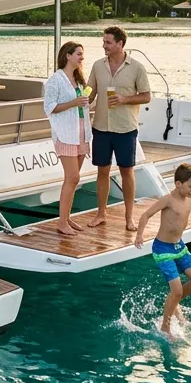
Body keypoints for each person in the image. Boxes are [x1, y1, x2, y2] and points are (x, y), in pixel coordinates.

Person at [134, 163, 191, 339]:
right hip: (163, 249)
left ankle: (174, 303)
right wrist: (139, 235)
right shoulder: (168, 200)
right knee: (176, 291)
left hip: (179, 247)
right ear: (178, 184)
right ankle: (165, 326)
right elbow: (145, 215)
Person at [87, 26, 151, 231]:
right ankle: (100, 214)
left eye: (108, 42)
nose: (103, 45)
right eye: (104, 41)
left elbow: (146, 96)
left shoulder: (137, 68)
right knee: (102, 171)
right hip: (101, 127)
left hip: (125, 128)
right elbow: (90, 91)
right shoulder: (98, 65)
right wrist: (77, 98)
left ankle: (129, 217)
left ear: (120, 44)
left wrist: (124, 99)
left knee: (127, 172)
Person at [43, 41, 91, 236]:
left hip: (80, 132)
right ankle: (61, 222)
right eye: (78, 54)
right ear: (68, 56)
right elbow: (49, 107)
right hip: (65, 133)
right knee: (73, 177)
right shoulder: (55, 80)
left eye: (82, 54)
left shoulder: (79, 79)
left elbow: (82, 106)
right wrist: (74, 102)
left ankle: (67, 218)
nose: (81, 57)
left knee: (73, 180)